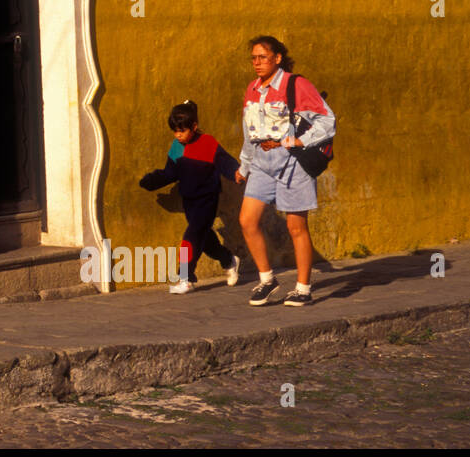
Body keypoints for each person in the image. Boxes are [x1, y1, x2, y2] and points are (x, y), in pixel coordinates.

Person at [235, 36, 336, 306]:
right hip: (261, 161)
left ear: (277, 58)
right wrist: (244, 164)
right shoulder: (252, 89)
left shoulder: (296, 85)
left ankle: (303, 288)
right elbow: (249, 131)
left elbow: (327, 119)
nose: (257, 63)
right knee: (247, 220)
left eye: (262, 57)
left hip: (292, 162)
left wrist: (300, 140)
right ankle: (268, 280)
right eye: (253, 58)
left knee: (296, 226)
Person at [139, 101, 242, 294]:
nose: (178, 135)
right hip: (189, 202)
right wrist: (151, 181)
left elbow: (225, 162)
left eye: (182, 131)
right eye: (175, 131)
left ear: (194, 127)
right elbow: (170, 173)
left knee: (191, 236)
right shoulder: (176, 147)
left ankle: (186, 278)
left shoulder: (208, 143)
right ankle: (228, 259)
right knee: (205, 240)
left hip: (208, 200)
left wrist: (236, 172)